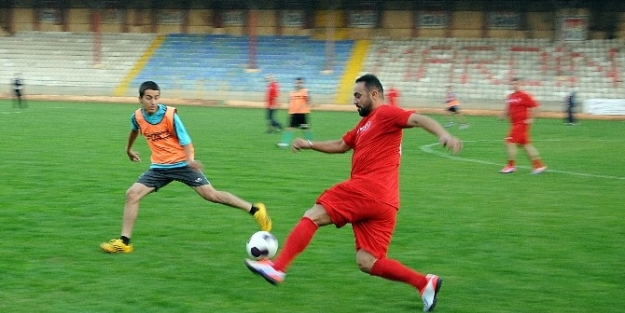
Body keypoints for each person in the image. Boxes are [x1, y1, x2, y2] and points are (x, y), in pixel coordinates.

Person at [246, 74, 462, 312]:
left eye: (358, 96)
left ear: (374, 94)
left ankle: (278, 268)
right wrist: (309, 144)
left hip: (369, 188)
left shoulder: (386, 113)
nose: (355, 101)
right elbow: (341, 145)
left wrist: (443, 134)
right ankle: (424, 283)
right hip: (386, 202)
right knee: (367, 262)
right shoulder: (363, 125)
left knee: (313, 215)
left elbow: (418, 119)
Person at [100, 81, 272, 253]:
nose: (153, 102)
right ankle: (124, 242)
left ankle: (255, 210)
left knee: (211, 195)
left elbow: (186, 141)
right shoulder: (137, 116)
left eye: (156, 98)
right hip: (159, 167)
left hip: (182, 164)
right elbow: (134, 130)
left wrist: (190, 160)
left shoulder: (169, 115)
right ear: (140, 99)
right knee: (132, 194)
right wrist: (128, 149)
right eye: (149, 98)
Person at [499, 77, 547, 174]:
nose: (514, 86)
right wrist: (503, 115)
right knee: (526, 145)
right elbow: (508, 109)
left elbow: (536, 106)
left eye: (516, 84)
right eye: (512, 84)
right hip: (514, 124)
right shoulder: (510, 96)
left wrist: (532, 118)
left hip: (521, 124)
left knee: (509, 142)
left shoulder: (524, 96)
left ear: (520, 84)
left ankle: (511, 166)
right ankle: (539, 166)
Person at [277, 77, 312, 148]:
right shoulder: (291, 93)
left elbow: (308, 101)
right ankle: (284, 143)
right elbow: (290, 102)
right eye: (297, 83)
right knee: (290, 128)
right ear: (294, 83)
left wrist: (307, 105)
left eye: (300, 83)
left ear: (303, 84)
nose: (298, 84)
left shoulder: (305, 91)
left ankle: (310, 143)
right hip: (293, 114)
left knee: (305, 128)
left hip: (302, 114)